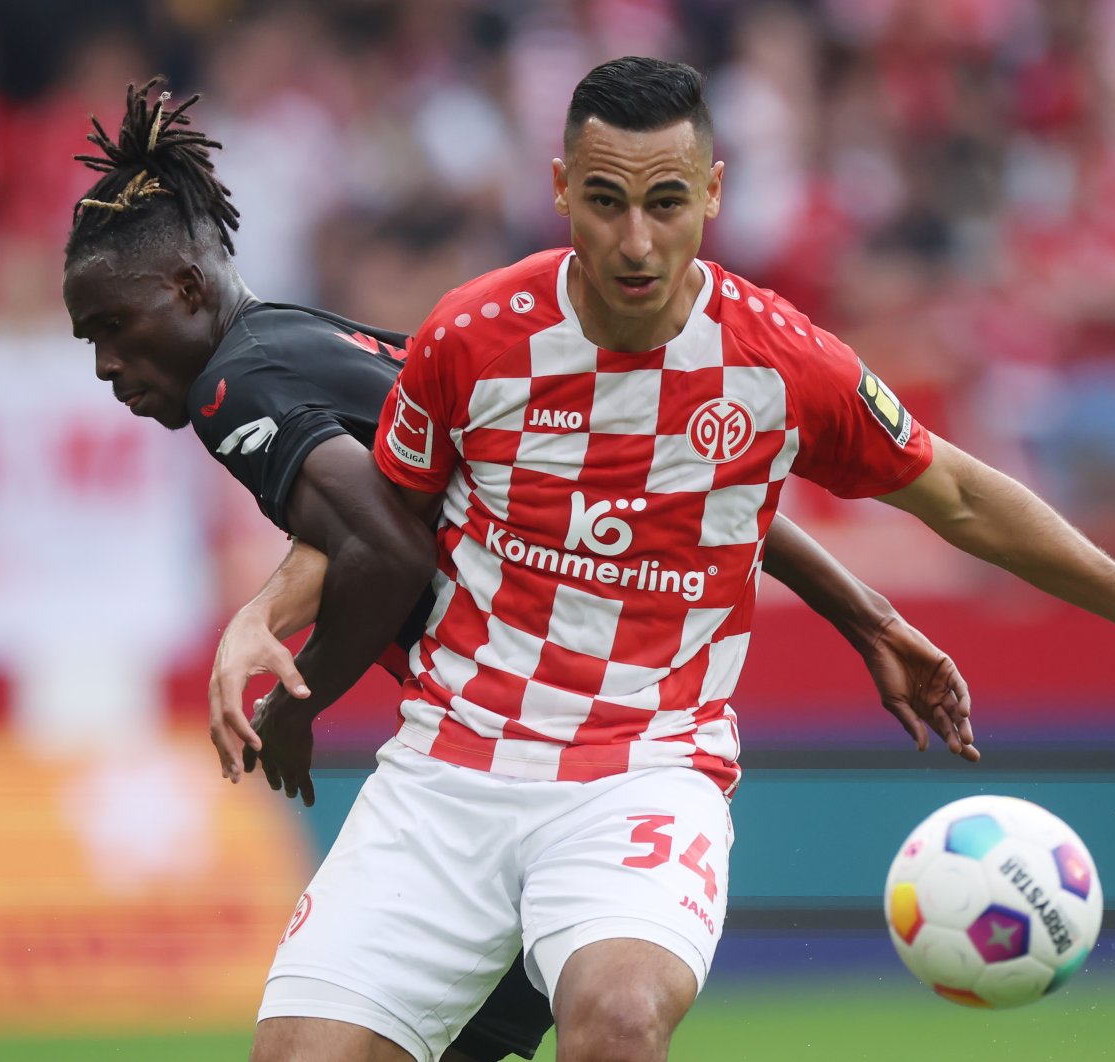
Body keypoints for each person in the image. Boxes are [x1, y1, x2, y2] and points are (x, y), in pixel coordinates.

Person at [234, 57, 1115, 1062]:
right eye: (605, 201)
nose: (636, 243)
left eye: (666, 204)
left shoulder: (780, 360)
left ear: (713, 193)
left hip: (646, 770)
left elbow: (960, 497)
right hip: (447, 772)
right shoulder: (468, 337)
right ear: (562, 187)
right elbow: (379, 522)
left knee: (616, 1021)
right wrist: (263, 616)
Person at [61, 80, 976, 1062]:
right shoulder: (318, 343)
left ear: (189, 291)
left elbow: (388, 547)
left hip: (554, 765)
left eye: (114, 328)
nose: (108, 364)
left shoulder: (234, 388)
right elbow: (675, 493)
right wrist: (864, 613)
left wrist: (303, 697)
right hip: (514, 769)